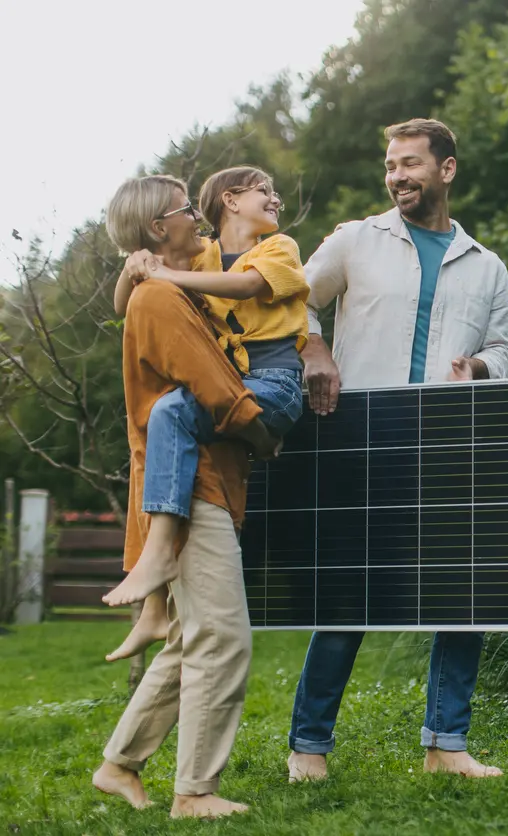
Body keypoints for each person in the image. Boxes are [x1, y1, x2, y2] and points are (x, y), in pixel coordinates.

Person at [286, 118, 508, 782]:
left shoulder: (487, 265)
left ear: (446, 169)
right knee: (350, 593)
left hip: (446, 443)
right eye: (391, 166)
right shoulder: (357, 240)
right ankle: (309, 747)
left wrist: (480, 368)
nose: (397, 177)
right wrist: (316, 346)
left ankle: (447, 744)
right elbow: (290, 299)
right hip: (362, 436)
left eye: (410, 164)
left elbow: (502, 350)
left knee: (463, 592)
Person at [91, 174, 272, 818]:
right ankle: (194, 792)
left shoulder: (171, 282)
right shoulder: (161, 302)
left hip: (201, 482)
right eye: (184, 210)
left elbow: (209, 271)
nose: (196, 217)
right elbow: (217, 389)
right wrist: (265, 429)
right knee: (223, 638)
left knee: (192, 637)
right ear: (156, 229)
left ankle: (120, 764)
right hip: (192, 488)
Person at [102, 166, 308, 662]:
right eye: (266, 191)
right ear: (232, 200)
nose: (276, 200)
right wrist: (134, 270)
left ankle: (156, 561)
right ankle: (155, 600)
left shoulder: (279, 249)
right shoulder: (206, 252)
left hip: (274, 385)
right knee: (152, 437)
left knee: (169, 411)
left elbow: (245, 287)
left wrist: (165, 274)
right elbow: (125, 306)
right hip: (235, 383)